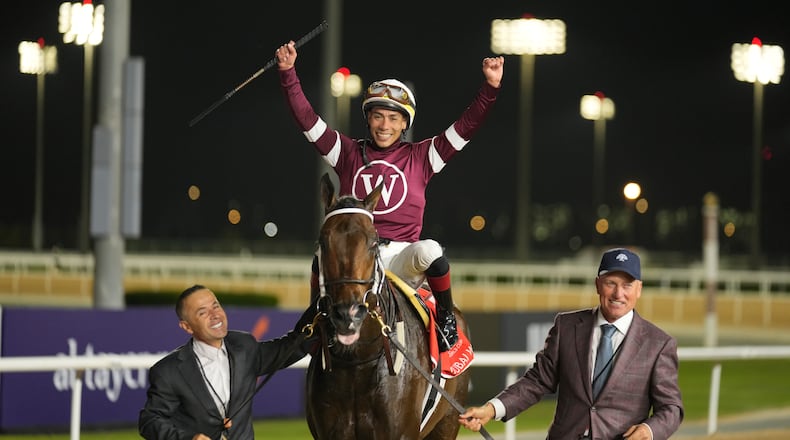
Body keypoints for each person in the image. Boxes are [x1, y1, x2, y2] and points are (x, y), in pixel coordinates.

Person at [275, 40, 504, 352]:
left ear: (405, 124)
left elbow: (465, 128)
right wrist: (288, 73)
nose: (385, 125)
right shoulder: (348, 153)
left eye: (394, 118)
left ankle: (446, 317)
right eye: (378, 116)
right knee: (321, 252)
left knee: (431, 250)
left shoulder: (423, 156)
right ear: (368, 119)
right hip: (358, 257)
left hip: (401, 259)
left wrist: (490, 88)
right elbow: (308, 121)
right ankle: (315, 314)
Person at [459, 248, 684, 440]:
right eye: (611, 283)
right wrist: (491, 409)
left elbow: (671, 408)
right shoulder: (566, 326)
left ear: (639, 289)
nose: (618, 293)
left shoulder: (659, 344)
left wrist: (649, 430)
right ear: (598, 285)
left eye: (627, 285)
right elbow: (537, 381)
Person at [138, 284, 316, 440]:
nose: (214, 315)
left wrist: (319, 309)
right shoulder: (168, 371)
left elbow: (290, 346)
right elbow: (150, 421)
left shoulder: (244, 346)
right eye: (202, 312)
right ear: (187, 326)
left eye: (216, 306)